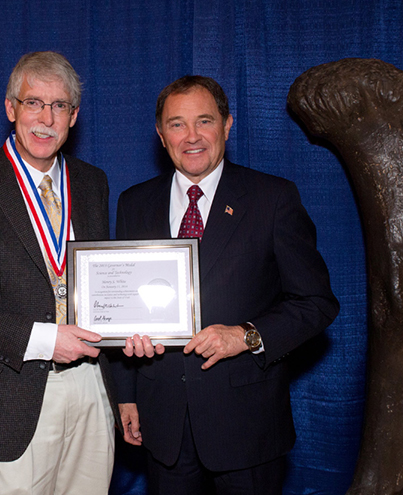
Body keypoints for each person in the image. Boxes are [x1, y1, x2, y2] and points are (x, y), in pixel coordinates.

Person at [112, 76, 339, 494]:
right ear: (161, 135)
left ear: (228, 125)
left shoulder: (273, 198)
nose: (192, 136)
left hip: (247, 426)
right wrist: (125, 395)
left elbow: (316, 303)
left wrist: (247, 336)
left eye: (204, 121)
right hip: (163, 424)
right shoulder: (134, 202)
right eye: (177, 124)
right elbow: (126, 308)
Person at [0, 51, 117, 494]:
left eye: (60, 105)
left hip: (91, 387)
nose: (46, 118)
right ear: (11, 108)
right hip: (7, 396)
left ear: (75, 115)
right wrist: (47, 340)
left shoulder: (92, 182)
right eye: (34, 103)